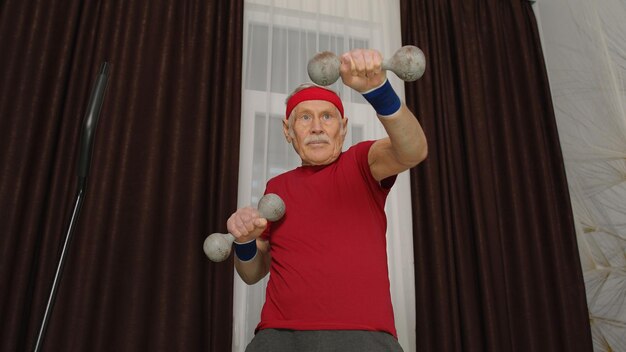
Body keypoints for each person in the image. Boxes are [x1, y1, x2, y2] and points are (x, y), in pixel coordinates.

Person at [227, 48, 427, 352]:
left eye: (327, 117)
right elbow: (253, 273)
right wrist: (243, 241)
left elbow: (413, 150)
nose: (317, 127)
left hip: (364, 339)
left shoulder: (361, 164)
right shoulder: (276, 187)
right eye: (305, 117)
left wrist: (378, 90)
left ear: (343, 128)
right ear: (288, 131)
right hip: (279, 340)